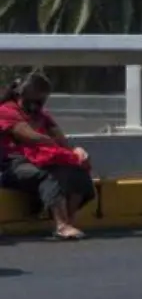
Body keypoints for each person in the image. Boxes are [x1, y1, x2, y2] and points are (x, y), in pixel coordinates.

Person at [0, 72, 96, 240]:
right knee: (49, 175)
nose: (37, 105)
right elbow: (30, 136)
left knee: (77, 171)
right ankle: (61, 225)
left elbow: (61, 140)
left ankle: (68, 219)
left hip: (38, 160)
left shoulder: (43, 116)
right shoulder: (6, 110)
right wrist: (54, 145)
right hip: (12, 166)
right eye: (34, 99)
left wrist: (76, 152)